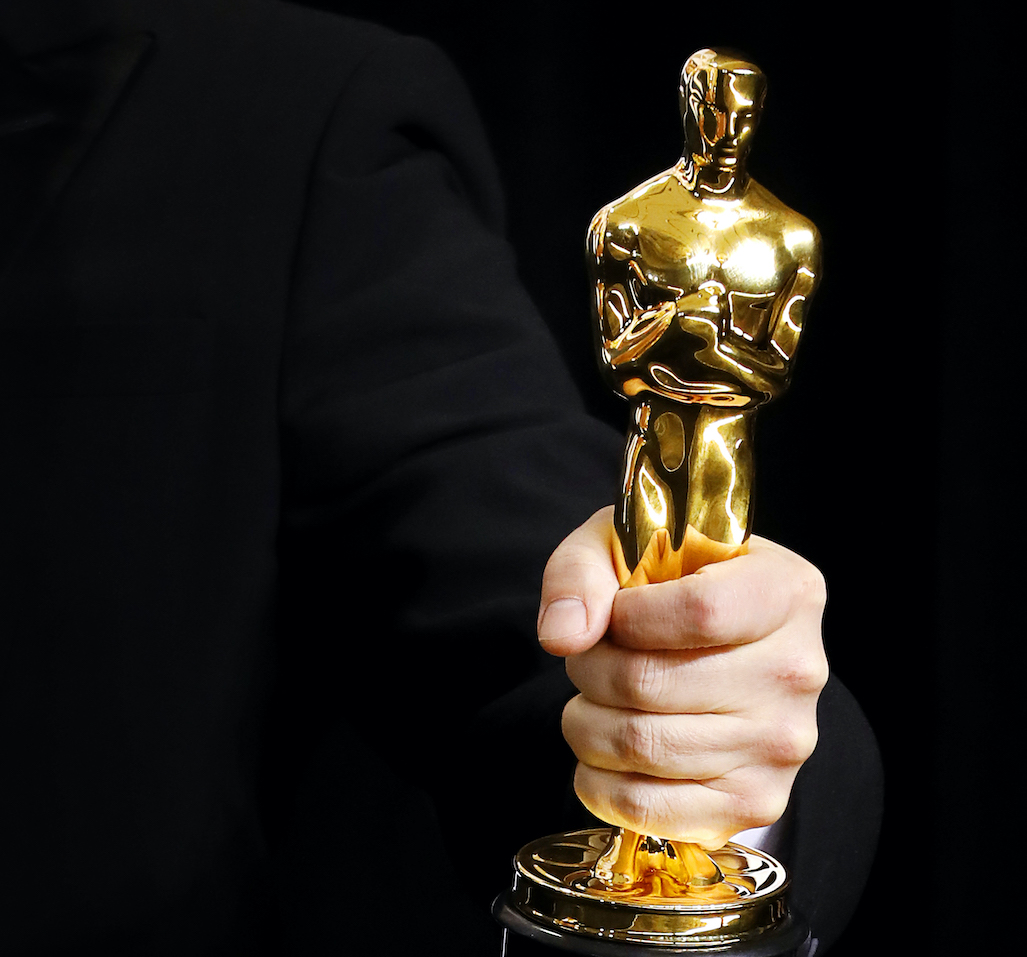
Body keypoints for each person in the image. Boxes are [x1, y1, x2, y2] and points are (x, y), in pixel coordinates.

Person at [0, 1, 882, 953]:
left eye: (738, 107)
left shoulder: (267, 116)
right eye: (711, 101)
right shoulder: (630, 225)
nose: (723, 122)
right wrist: (682, 338)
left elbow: (527, 617)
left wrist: (707, 732)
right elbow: (625, 346)